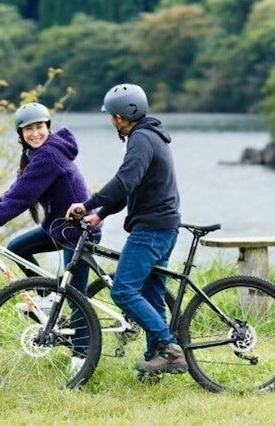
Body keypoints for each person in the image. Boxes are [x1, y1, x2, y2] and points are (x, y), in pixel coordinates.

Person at [65, 83, 185, 377]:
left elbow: (124, 181)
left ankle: (170, 349)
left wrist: (87, 204)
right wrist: (101, 213)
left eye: (112, 116)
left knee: (124, 290)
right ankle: (153, 365)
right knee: (152, 295)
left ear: (121, 116)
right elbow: (131, 188)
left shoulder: (141, 139)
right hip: (164, 226)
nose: (111, 121)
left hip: (151, 230)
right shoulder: (151, 135)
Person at [0, 101, 97, 371]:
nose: (35, 133)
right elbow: (19, 187)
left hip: (79, 231)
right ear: (20, 134)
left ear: (48, 127)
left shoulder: (48, 155)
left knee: (77, 297)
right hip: (58, 227)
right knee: (17, 247)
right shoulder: (38, 155)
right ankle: (45, 295)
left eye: (40, 127)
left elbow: (23, 197)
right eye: (28, 129)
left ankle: (82, 358)